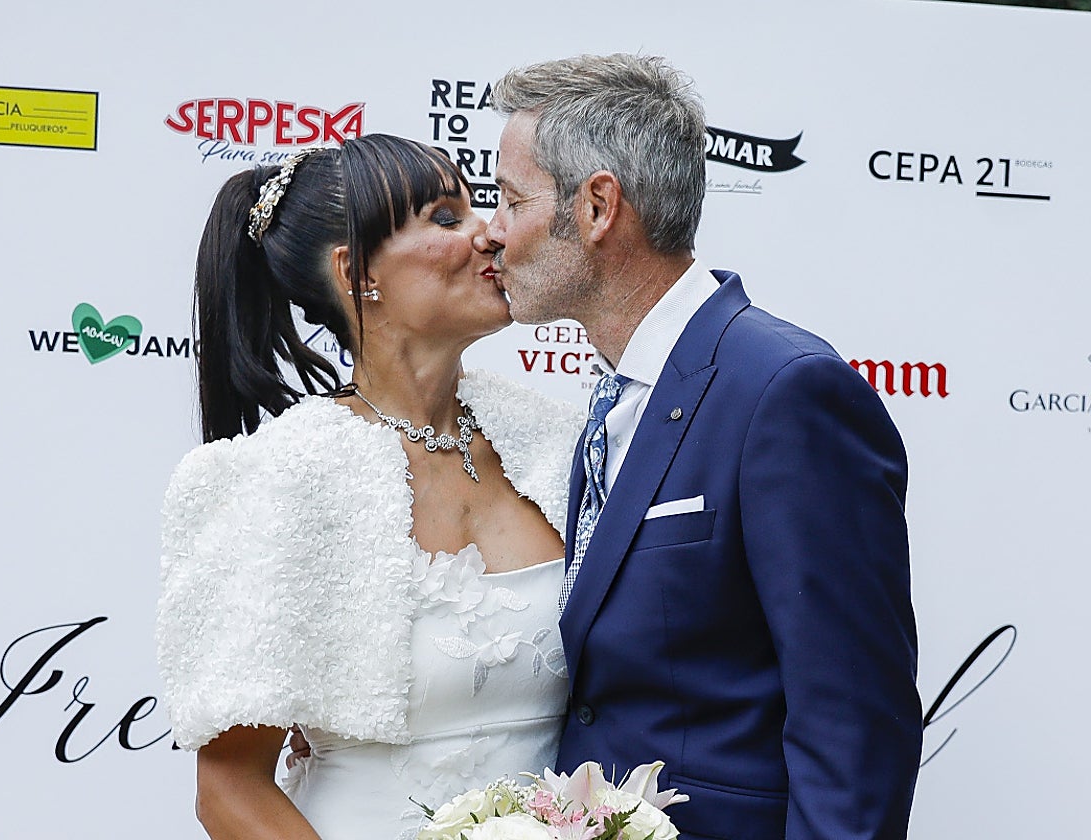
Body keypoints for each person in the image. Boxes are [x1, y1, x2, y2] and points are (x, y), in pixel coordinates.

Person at [484, 54, 922, 840]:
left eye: (512, 200)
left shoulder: (786, 391)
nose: (491, 231)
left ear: (597, 207)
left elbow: (854, 717)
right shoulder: (613, 395)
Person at [155, 134, 583, 840]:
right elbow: (229, 788)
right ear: (357, 273)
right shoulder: (282, 477)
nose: (491, 235)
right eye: (446, 218)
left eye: (481, 208)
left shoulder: (559, 444)